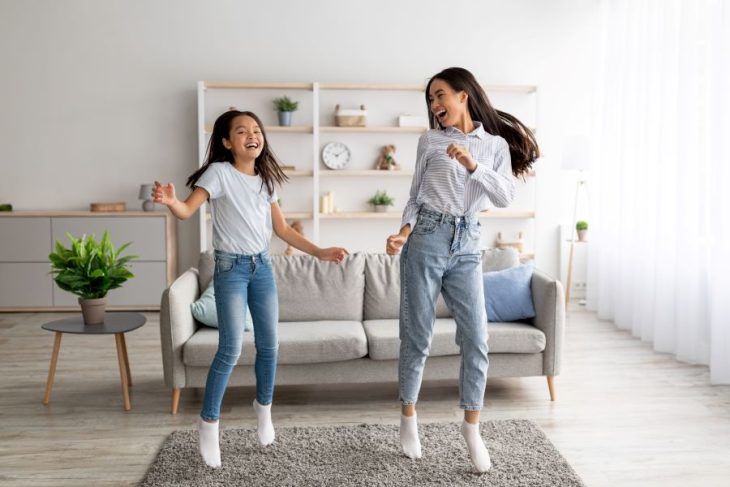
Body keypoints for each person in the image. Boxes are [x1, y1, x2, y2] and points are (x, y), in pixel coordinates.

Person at [154, 109, 348, 468]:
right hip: (230, 269)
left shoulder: (266, 179)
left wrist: (320, 251)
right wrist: (171, 203)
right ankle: (209, 423)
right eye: (241, 131)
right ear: (228, 143)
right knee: (228, 349)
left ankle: (263, 410)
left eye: (255, 129)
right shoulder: (219, 173)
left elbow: (284, 231)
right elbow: (187, 210)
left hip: (263, 268)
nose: (251, 135)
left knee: (269, 346)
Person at [385, 67, 539, 472]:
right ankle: (408, 418)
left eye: (440, 96)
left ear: (463, 96)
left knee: (476, 339)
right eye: (431, 100)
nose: (435, 106)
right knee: (417, 337)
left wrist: (473, 164)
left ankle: (472, 430)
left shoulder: (494, 147)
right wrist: (403, 232)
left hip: (469, 243)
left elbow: (504, 195)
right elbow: (416, 197)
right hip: (426, 239)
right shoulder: (430, 141)